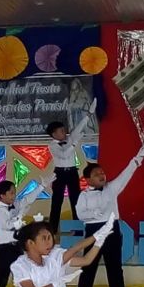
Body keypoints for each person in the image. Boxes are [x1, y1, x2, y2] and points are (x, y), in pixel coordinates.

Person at [72, 144, 144, 287]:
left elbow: (126, 174)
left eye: (102, 172)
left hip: (112, 230)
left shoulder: (112, 188)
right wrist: (95, 213)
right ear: (88, 179)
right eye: (96, 174)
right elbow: (80, 215)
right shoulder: (83, 196)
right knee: (88, 268)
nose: (102, 175)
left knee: (114, 269)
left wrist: (138, 157)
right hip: (93, 232)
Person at [0, 177, 51, 287]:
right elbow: (5, 225)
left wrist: (41, 187)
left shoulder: (16, 204)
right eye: (11, 193)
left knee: (21, 274)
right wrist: (16, 222)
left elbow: (27, 199)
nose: (14, 195)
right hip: (5, 248)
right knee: (2, 276)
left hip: (17, 247)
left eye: (14, 192)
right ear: (2, 195)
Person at [46, 98, 96, 234]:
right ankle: (52, 230)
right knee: (57, 202)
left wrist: (89, 114)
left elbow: (80, 126)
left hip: (72, 172)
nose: (64, 132)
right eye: (61, 131)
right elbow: (63, 155)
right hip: (60, 174)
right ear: (54, 134)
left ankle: (77, 229)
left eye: (64, 130)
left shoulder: (69, 138)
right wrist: (74, 144)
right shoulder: (52, 145)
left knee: (76, 200)